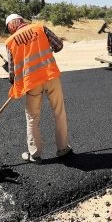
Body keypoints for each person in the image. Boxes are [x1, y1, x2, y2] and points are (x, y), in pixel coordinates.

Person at [5, 14, 71, 164]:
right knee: (59, 113)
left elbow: (11, 73)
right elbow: (59, 46)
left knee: (32, 118)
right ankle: (63, 148)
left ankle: (34, 155)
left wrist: (16, 84)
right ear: (21, 21)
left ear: (11, 26)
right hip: (50, 76)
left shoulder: (10, 42)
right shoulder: (40, 27)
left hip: (31, 83)